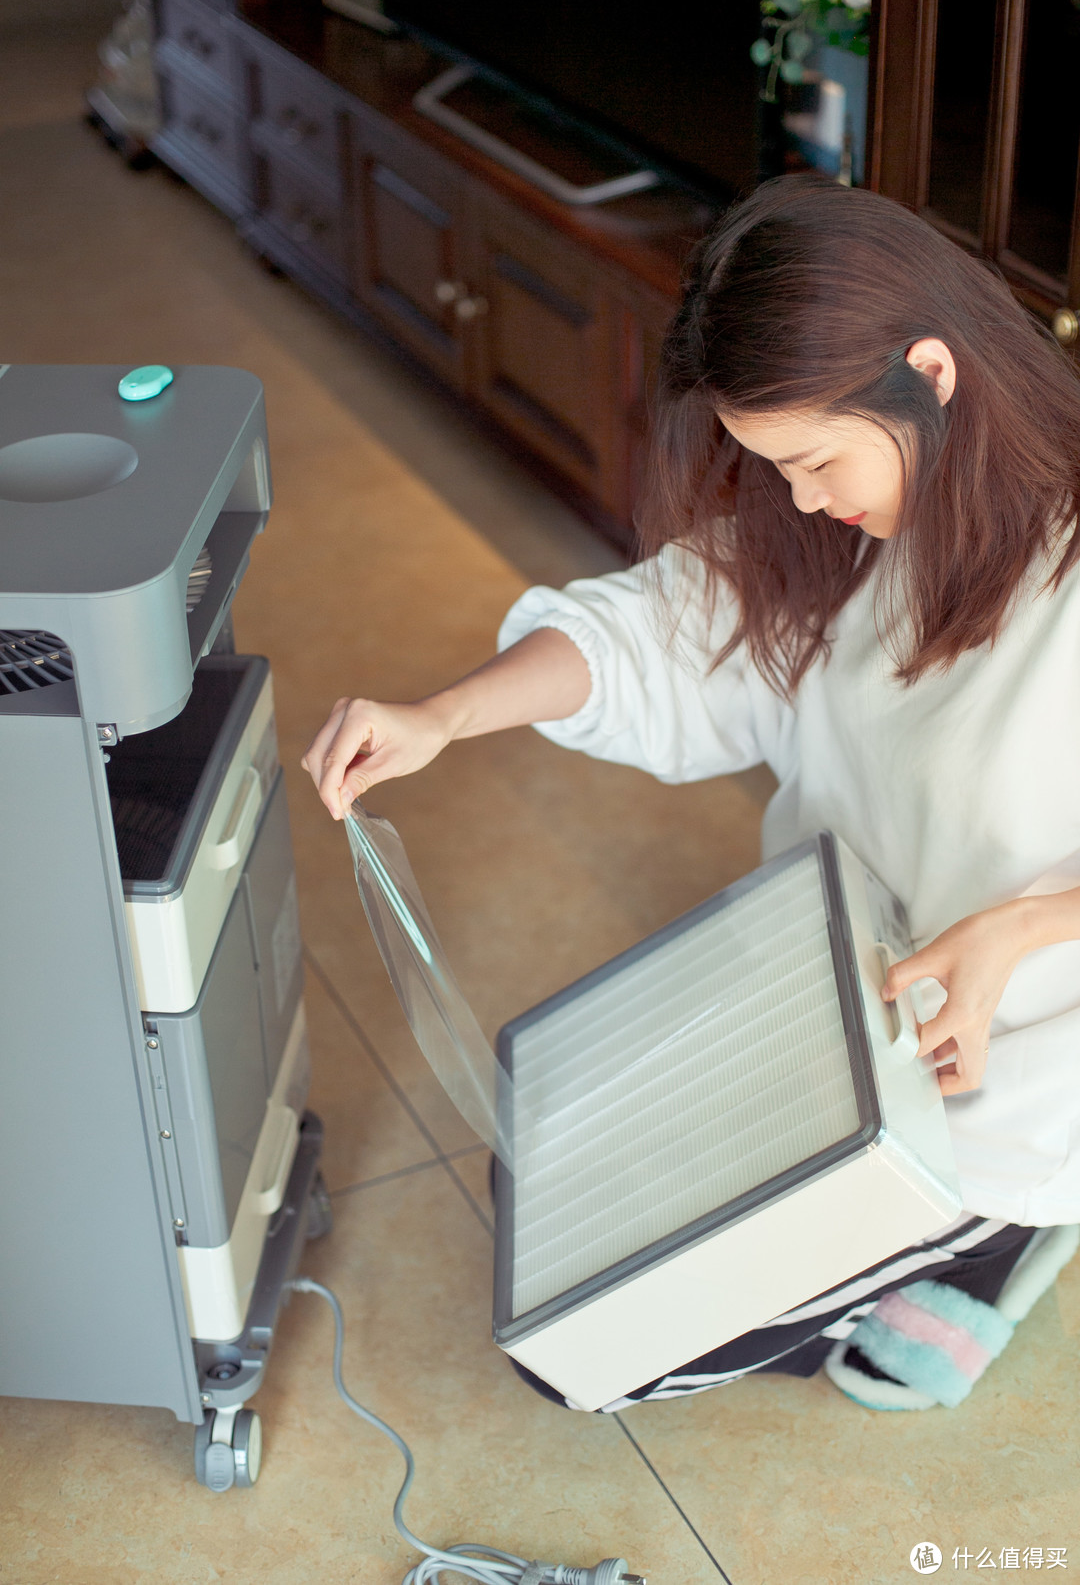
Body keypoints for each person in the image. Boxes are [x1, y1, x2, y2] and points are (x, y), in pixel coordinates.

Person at [302, 178, 1080, 1410]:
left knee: (593, 1361)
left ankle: (1006, 1226)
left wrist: (1030, 925)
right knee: (541, 1205)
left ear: (931, 371)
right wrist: (442, 714)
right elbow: (665, 627)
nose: (805, 499)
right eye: (777, 467)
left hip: (1015, 1067)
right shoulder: (847, 529)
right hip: (832, 980)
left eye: (817, 459)